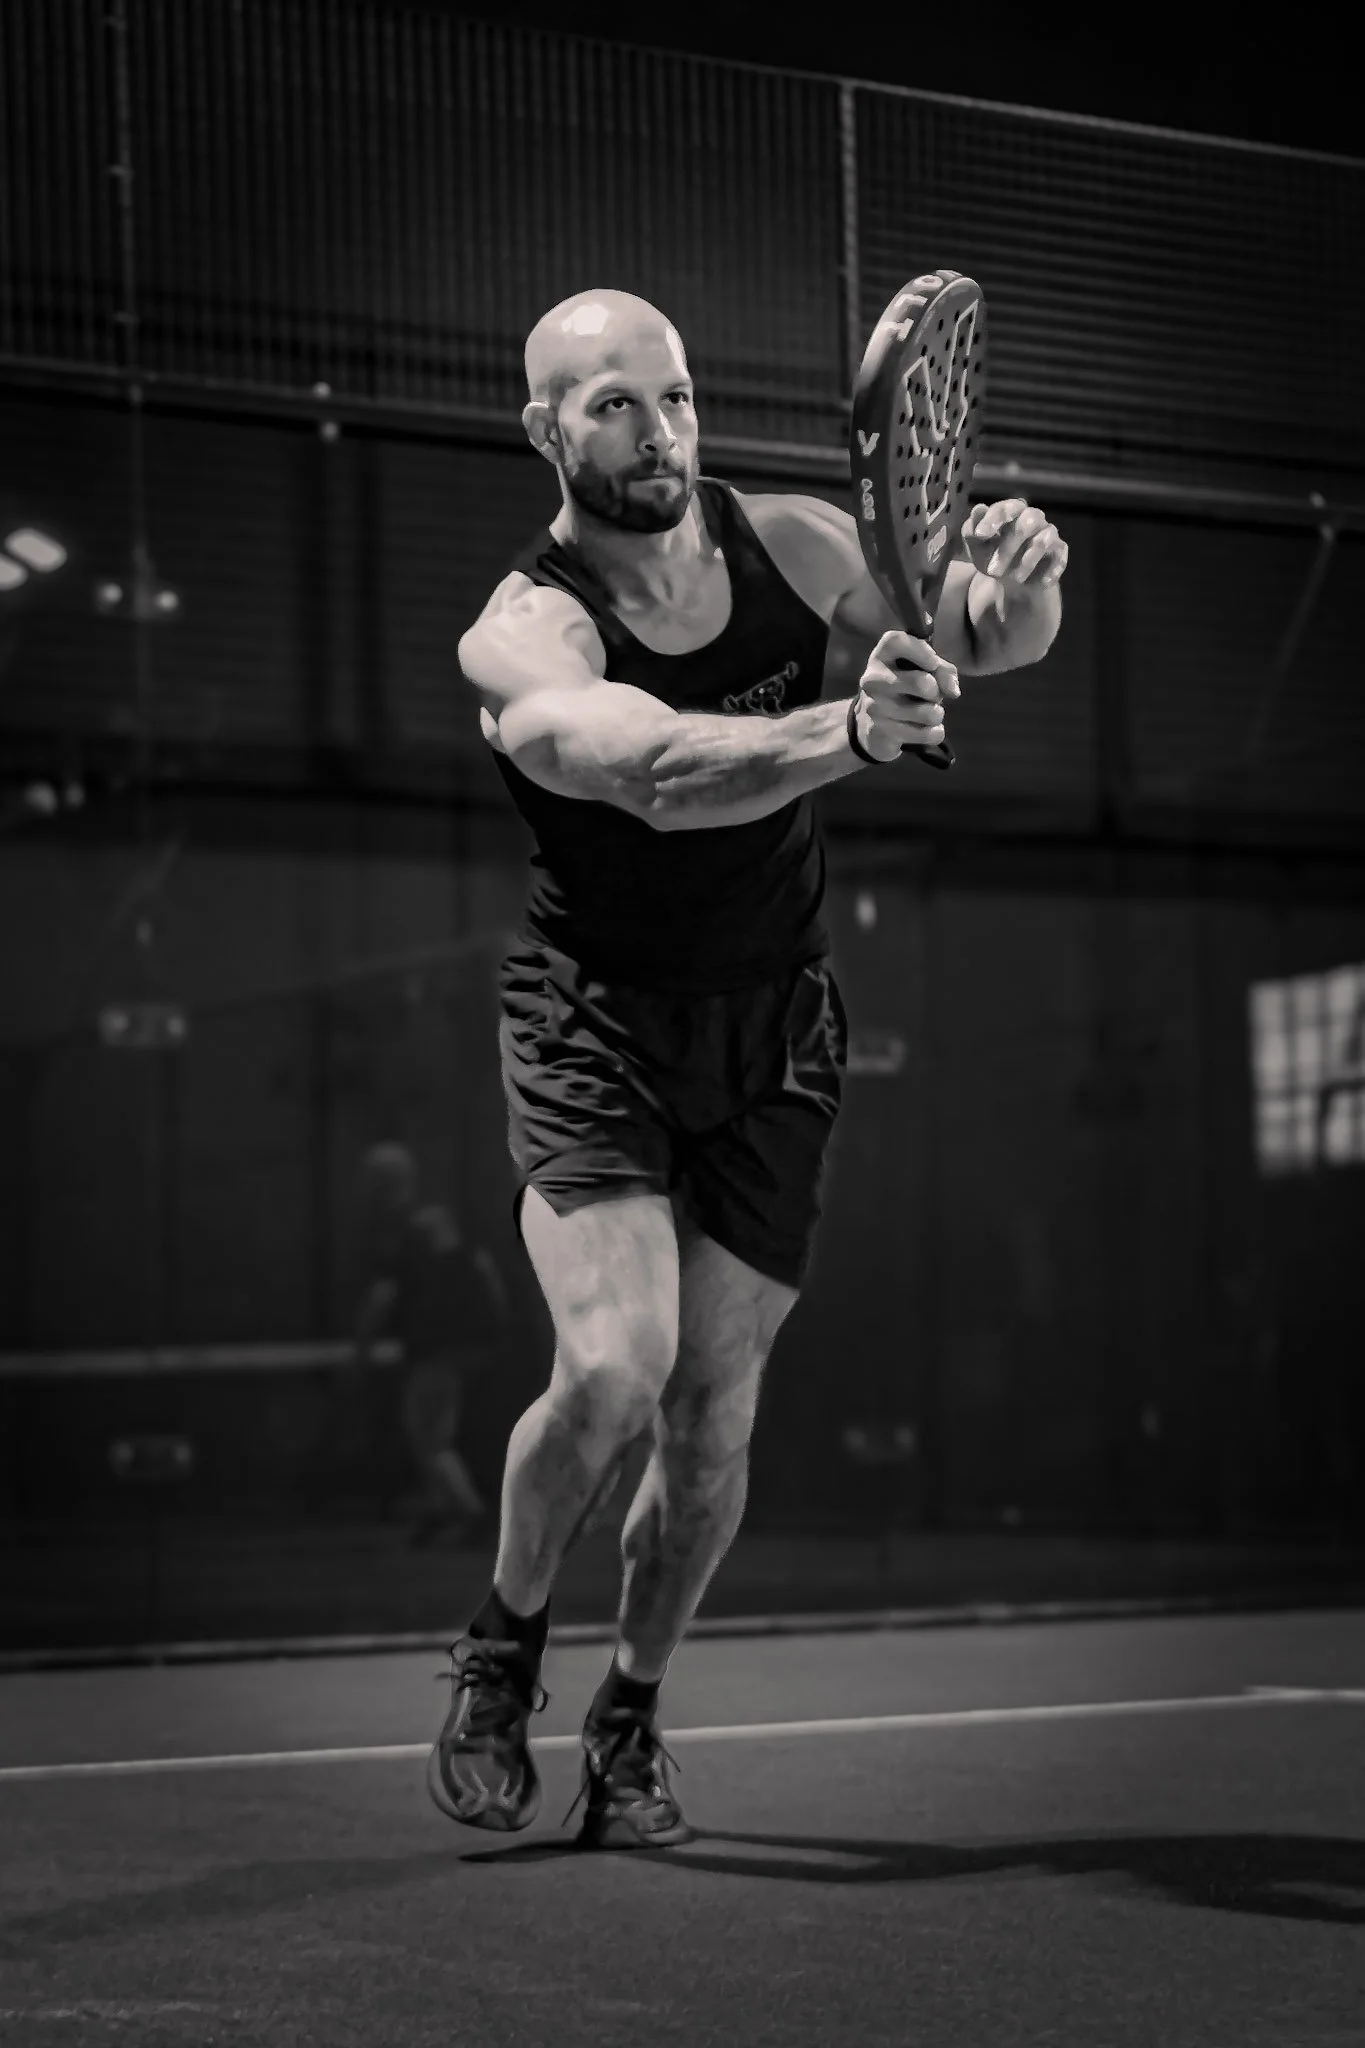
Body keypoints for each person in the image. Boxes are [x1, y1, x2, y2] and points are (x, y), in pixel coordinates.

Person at [427, 288, 1069, 1848]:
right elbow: (652, 773)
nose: (659, 431)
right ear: (544, 429)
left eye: (677, 397)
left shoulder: (793, 549)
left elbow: (974, 642)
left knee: (712, 1421)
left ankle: (630, 1722)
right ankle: (504, 1648)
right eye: (613, 406)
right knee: (609, 1371)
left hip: (773, 1024)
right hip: (596, 1023)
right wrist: (852, 733)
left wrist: (1013, 595)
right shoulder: (526, 631)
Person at [354, 1143, 507, 1547]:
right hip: (457, 1342)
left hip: (430, 1345)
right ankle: (444, 1509)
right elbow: (484, 1271)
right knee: (427, 1427)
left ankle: (468, 1511)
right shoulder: (441, 1221)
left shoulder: (398, 1229)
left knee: (429, 1434)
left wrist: (362, 1347)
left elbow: (382, 1295)